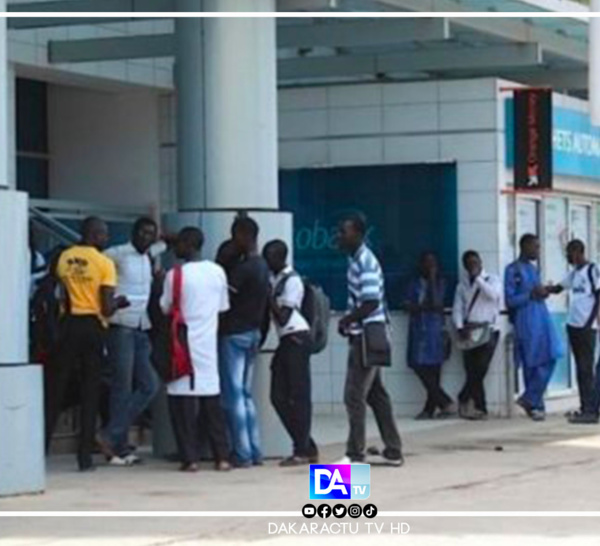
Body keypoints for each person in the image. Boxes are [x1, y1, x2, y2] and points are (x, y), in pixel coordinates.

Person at [46, 217, 129, 471]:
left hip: (68, 325)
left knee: (56, 388)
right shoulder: (105, 264)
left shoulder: (64, 257)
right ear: (94, 234)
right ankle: (84, 458)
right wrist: (119, 303)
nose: (106, 239)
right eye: (103, 234)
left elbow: (58, 287)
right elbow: (106, 306)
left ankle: (40, 448)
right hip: (93, 327)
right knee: (91, 390)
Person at [160, 227, 231, 473]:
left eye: (178, 243)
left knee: (182, 406)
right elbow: (223, 307)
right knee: (212, 403)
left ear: (188, 244)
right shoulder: (217, 272)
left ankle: (190, 459)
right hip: (208, 345)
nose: (175, 248)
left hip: (181, 344)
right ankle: (222, 457)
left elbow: (166, 307)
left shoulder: (175, 275)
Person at [96, 217, 166, 465]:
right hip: (120, 325)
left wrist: (167, 237)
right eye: (144, 233)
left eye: (151, 234)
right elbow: (96, 265)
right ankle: (119, 447)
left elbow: (165, 243)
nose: (147, 238)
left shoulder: (150, 254)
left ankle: (111, 434)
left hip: (141, 326)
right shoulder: (117, 254)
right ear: (134, 233)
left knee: (149, 384)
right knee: (121, 387)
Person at [337, 214, 403, 466]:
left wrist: (347, 320)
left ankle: (355, 453)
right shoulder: (354, 260)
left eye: (344, 232)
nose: (340, 237)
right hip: (366, 332)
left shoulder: (365, 261)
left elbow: (370, 301)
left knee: (354, 395)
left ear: (359, 234)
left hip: (367, 334)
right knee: (376, 395)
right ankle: (393, 449)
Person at [218, 216, 270, 468]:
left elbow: (223, 302)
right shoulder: (262, 267)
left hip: (234, 334)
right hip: (253, 333)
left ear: (242, 235)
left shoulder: (243, 269)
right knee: (246, 395)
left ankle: (241, 452)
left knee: (233, 395)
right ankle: (255, 450)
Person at [263, 239, 319, 467]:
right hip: (286, 340)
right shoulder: (275, 279)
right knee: (278, 396)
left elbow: (284, 317)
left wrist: (269, 298)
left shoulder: (292, 281)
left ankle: (302, 450)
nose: (267, 264)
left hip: (296, 337)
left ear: (281, 258)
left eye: (270, 259)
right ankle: (306, 443)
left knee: (298, 395)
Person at [505, 234, 564, 422]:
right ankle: (536, 406)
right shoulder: (513, 270)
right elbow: (510, 299)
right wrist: (530, 294)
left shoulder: (533, 269)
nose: (538, 251)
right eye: (535, 247)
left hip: (542, 316)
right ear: (524, 247)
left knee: (552, 353)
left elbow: (537, 291)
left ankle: (530, 398)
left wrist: (544, 292)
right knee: (532, 361)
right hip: (526, 319)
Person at [547, 239, 600, 424]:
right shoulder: (574, 274)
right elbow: (559, 288)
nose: (568, 257)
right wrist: (545, 289)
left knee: (586, 369)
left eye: (570, 253)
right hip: (574, 325)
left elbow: (598, 297)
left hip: (587, 327)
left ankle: (590, 410)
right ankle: (585, 406)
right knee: (580, 368)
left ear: (579, 252)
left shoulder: (592, 270)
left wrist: (590, 321)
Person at [405, 252, 456, 420]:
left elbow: (435, 303)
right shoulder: (414, 283)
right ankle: (444, 402)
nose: (429, 266)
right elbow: (408, 305)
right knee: (417, 365)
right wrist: (419, 307)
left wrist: (433, 278)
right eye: (426, 263)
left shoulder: (441, 282)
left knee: (435, 370)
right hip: (418, 330)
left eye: (432, 263)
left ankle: (431, 408)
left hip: (435, 330)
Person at [452, 250, 502, 420]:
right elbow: (458, 308)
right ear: (465, 266)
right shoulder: (462, 285)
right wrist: (459, 327)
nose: (473, 266)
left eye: (475, 262)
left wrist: (478, 279)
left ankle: (464, 397)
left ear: (481, 263)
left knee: (481, 368)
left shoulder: (492, 279)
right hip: (470, 330)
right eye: (469, 264)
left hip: (489, 329)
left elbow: (494, 296)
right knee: (471, 369)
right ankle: (480, 407)